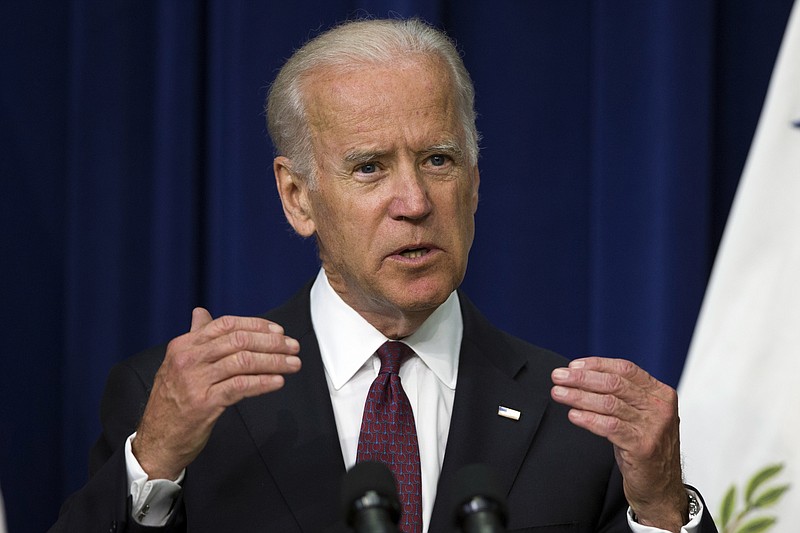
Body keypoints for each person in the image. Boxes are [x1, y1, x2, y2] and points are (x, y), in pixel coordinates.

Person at [50, 18, 718, 533]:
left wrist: (662, 504)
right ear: (298, 196)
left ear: (475, 184)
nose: (416, 201)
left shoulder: (580, 421)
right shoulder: (180, 407)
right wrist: (156, 460)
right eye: (370, 167)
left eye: (437, 159)